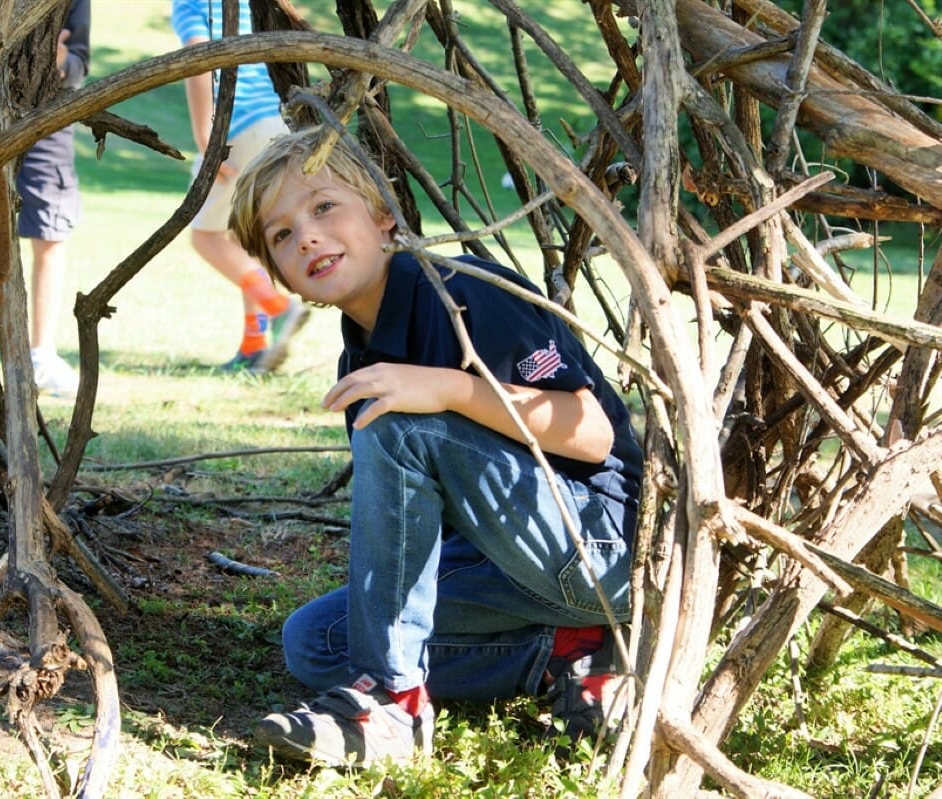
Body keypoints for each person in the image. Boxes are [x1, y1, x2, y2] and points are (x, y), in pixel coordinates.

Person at [228, 126, 643, 767]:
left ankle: (392, 703)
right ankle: (570, 651)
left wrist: (448, 387)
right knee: (314, 641)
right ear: (282, 276)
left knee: (398, 422)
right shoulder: (362, 354)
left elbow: (590, 434)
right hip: (511, 568)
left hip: (604, 549)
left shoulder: (463, 292)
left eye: (324, 206)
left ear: (385, 218)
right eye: (282, 235)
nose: (306, 235)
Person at [172, 0, 307, 374]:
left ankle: (279, 308)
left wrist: (206, 138)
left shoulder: (191, 4)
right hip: (278, 123)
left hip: (237, 126)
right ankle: (253, 345)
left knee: (206, 237)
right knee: (241, 237)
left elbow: (199, 60)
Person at [16, 1, 91, 398]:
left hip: (49, 117)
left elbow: (80, 62)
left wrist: (61, 62)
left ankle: (40, 355)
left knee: (51, 232)